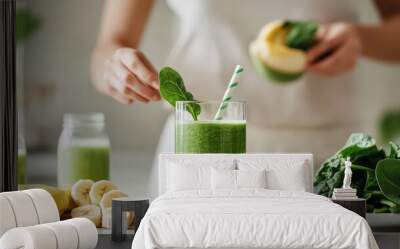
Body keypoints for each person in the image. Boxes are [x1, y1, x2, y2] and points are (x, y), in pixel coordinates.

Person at [91, 0, 400, 196]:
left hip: (323, 159)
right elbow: (108, 46)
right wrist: (114, 68)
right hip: (198, 159)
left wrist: (361, 39)